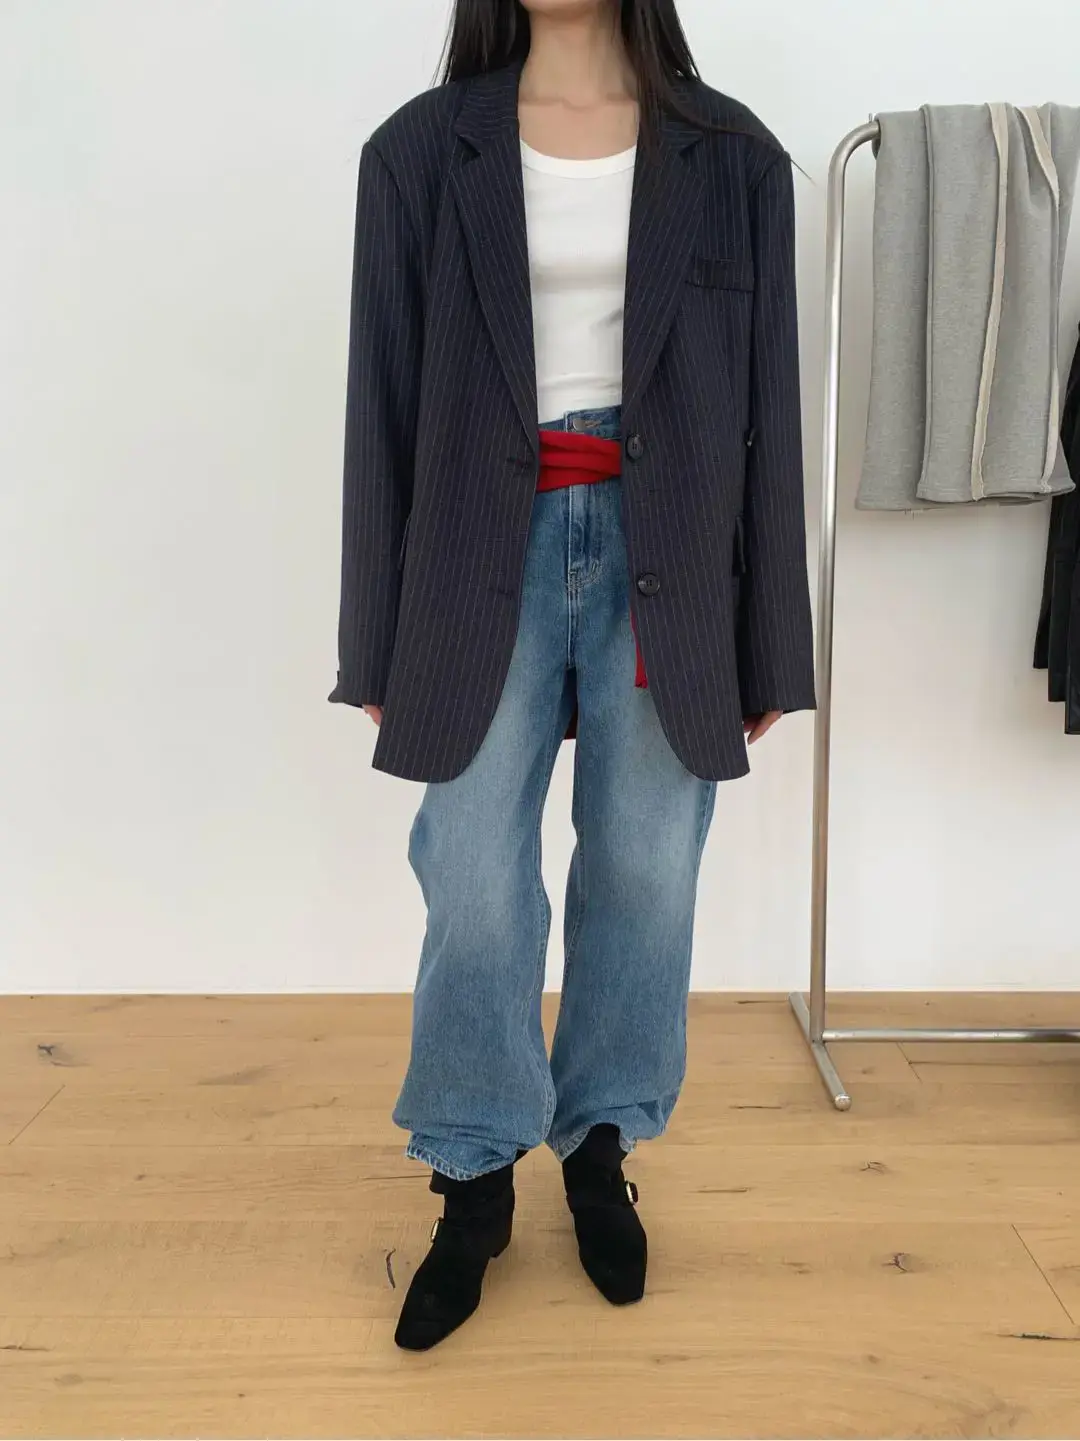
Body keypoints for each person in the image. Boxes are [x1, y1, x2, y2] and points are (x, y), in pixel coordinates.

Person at [329, 0, 815, 1351]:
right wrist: (373, 636)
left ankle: (599, 1145)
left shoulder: (735, 156)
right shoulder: (419, 154)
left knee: (647, 869)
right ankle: (474, 1175)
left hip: (672, 555)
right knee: (474, 877)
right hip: (477, 550)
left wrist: (772, 638)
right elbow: (380, 403)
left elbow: (771, 411)